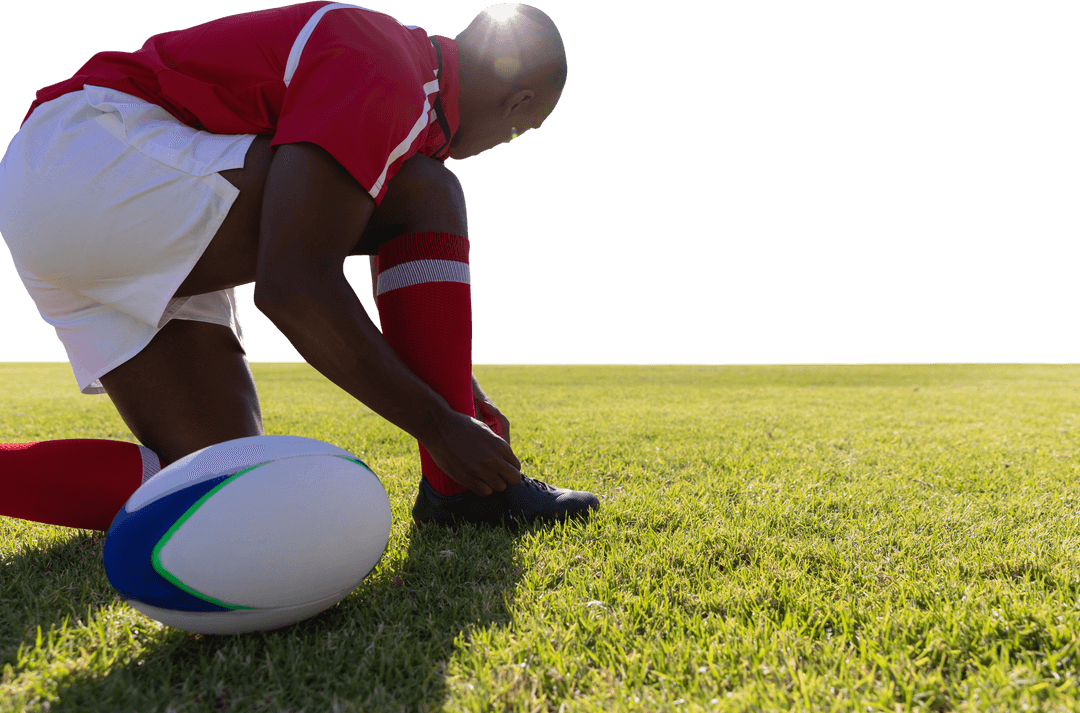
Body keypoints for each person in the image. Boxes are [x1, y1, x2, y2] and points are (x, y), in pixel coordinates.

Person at [0, 1, 598, 531]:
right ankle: (459, 494)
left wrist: (455, 393)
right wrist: (441, 425)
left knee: (225, 484)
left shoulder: (392, 69)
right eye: (523, 131)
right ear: (517, 103)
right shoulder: (389, 66)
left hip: (66, 193)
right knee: (425, 192)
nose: (507, 142)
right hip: (94, 153)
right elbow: (293, 285)